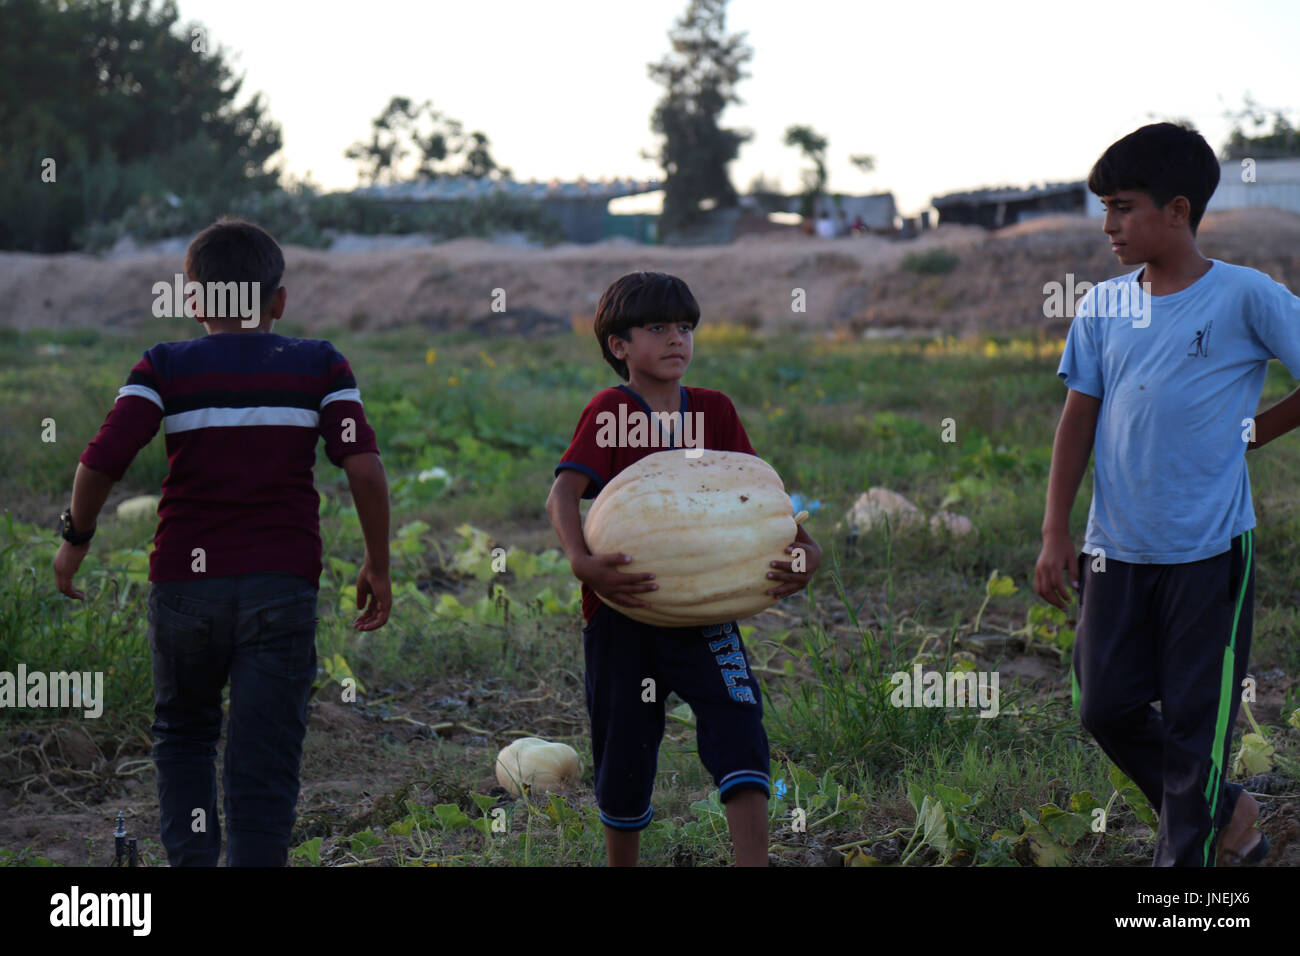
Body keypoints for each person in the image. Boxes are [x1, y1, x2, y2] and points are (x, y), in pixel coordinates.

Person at [53, 218, 393, 866]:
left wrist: (75, 541)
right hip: (280, 587)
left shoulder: (164, 365)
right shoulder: (319, 364)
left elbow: (98, 463)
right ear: (279, 301)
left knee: (184, 735)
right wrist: (378, 564)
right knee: (263, 757)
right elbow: (364, 469)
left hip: (184, 588)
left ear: (194, 300)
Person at [1034, 123, 1300, 866]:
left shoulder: (1245, 296)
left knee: (1194, 723)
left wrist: (1252, 434)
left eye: (1123, 207)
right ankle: (1230, 811)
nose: (1109, 225)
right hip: (1115, 547)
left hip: (1209, 549)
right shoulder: (1103, 307)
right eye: (1104, 209)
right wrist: (1057, 532)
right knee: (1104, 708)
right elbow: (1076, 419)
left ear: (1178, 210)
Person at [545, 271, 821, 866]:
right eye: (657, 328)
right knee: (624, 750)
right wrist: (583, 563)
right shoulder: (610, 411)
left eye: (686, 327)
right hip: (622, 615)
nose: (676, 339)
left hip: (706, 614)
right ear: (619, 346)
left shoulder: (715, 411)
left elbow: (755, 495)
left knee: (740, 720)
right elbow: (562, 496)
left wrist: (806, 547)